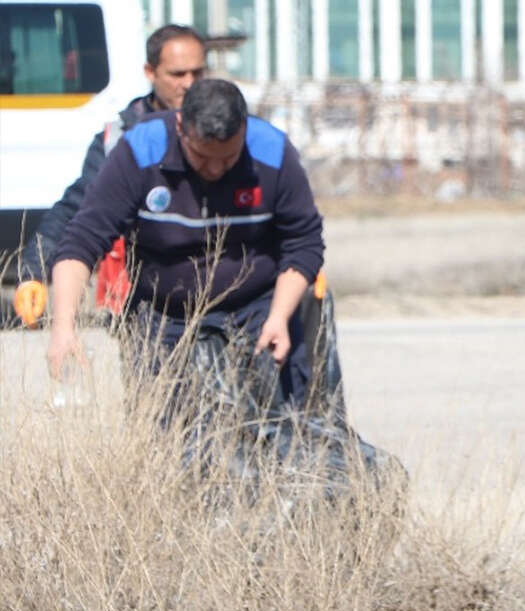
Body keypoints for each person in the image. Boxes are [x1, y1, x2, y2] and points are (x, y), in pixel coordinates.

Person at [47, 78, 323, 409]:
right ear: (181, 127)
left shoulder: (272, 151)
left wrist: (279, 315)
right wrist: (63, 327)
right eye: (202, 157)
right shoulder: (141, 150)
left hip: (257, 310)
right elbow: (81, 241)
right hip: (162, 313)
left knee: (274, 424)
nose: (215, 169)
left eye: (228, 158)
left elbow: (304, 242)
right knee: (164, 424)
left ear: (244, 131)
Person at [13, 24, 207, 324]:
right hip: (145, 303)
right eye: (177, 74)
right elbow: (77, 209)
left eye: (197, 73)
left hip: (219, 294)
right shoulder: (118, 139)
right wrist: (32, 273)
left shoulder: (230, 130)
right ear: (150, 71)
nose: (189, 84)